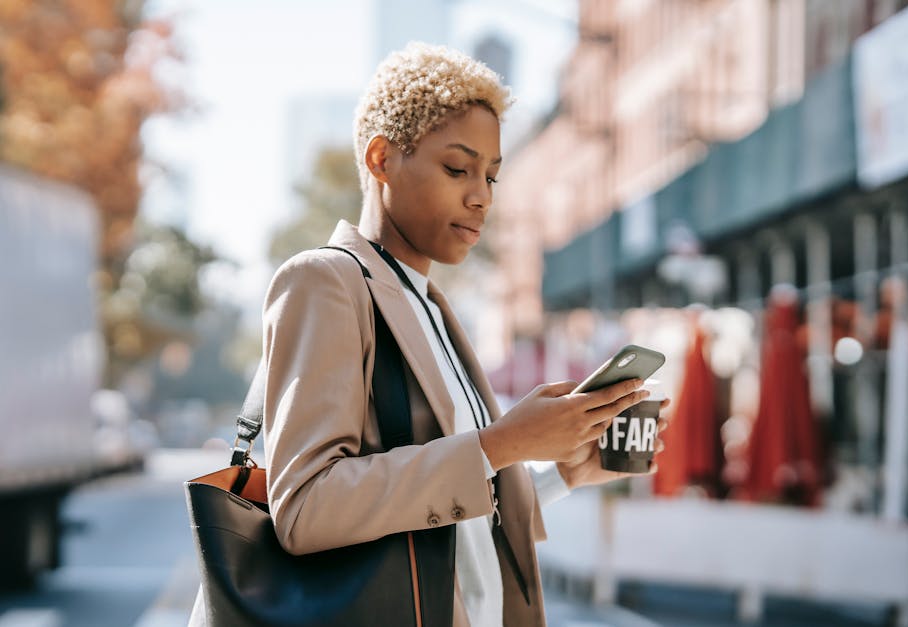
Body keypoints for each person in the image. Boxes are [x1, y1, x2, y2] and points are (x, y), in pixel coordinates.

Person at [261, 42, 669, 627]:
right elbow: (305, 509)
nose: (481, 196)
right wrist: (499, 444)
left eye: (492, 176)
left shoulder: (430, 305)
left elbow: (460, 514)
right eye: (458, 168)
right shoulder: (325, 282)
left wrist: (564, 468)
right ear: (381, 160)